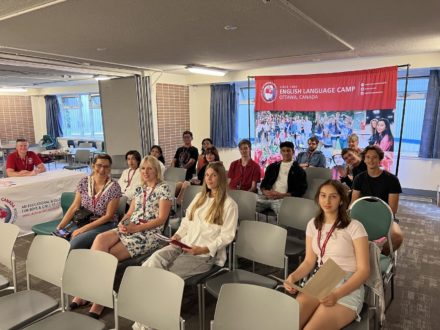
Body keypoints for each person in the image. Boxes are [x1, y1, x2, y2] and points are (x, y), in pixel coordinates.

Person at [72, 156, 172, 318]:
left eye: (149, 169)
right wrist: (122, 223)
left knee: (108, 256)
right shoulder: (140, 189)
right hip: (131, 228)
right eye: (143, 169)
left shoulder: (164, 188)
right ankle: (89, 291)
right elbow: (130, 213)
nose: (145, 172)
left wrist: (135, 228)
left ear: (156, 171)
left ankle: (99, 300)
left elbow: (161, 219)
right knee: (100, 240)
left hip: (150, 234)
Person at [284, 180, 369, 329]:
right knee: (289, 325)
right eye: (323, 196)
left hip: (348, 282)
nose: (327, 201)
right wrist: (293, 277)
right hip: (323, 277)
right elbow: (309, 261)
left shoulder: (355, 226)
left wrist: (337, 295)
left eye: (333, 196)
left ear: (341, 200)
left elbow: (364, 270)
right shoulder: (313, 224)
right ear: (318, 198)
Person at [141, 161, 238, 278]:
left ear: (221, 178)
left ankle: (154, 292)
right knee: (153, 260)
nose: (209, 179)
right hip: (184, 244)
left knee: (166, 276)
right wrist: (177, 236)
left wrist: (203, 250)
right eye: (207, 175)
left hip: (203, 254)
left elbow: (226, 236)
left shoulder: (229, 205)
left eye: (213, 175)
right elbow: (186, 222)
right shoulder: (199, 198)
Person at [56, 154, 122, 250]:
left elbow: (109, 216)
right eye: (99, 165)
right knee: (59, 238)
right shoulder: (84, 182)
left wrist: (83, 229)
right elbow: (74, 206)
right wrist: (60, 226)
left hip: (104, 224)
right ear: (93, 166)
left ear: (109, 169)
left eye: (106, 167)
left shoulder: (114, 187)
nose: (102, 170)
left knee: (73, 243)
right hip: (84, 219)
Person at [351, 145, 403, 253]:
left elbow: (392, 210)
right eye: (368, 157)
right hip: (362, 216)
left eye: (374, 157)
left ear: (380, 159)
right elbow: (354, 204)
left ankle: (381, 256)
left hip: (384, 217)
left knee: (397, 237)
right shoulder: (359, 178)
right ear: (364, 159)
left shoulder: (392, 180)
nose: (371, 160)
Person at [257, 141, 307, 214]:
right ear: (281, 152)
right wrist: (265, 192)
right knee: (249, 206)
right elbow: (263, 183)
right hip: (267, 197)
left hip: (284, 199)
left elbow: (300, 191)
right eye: (283, 151)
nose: (286, 153)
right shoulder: (272, 167)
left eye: (288, 150)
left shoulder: (299, 170)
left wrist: (282, 195)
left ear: (293, 152)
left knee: (284, 215)